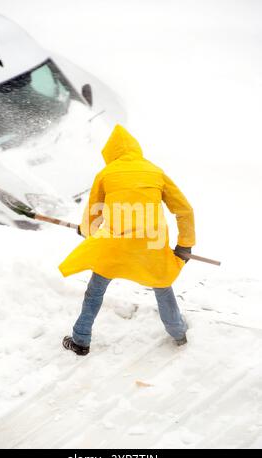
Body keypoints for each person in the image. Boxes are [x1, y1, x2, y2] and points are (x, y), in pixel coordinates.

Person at [59, 124, 195, 355]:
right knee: (162, 286)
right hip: (151, 243)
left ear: (110, 154)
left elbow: (94, 213)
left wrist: (86, 230)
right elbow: (184, 210)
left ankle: (80, 340)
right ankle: (178, 333)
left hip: (116, 245)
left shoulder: (106, 174)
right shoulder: (154, 171)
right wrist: (185, 244)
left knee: (95, 290)